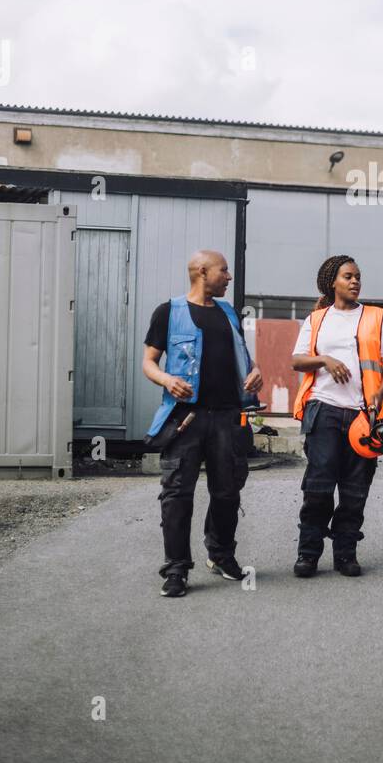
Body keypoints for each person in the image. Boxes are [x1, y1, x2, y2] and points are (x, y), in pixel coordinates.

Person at [142, 250, 263, 599]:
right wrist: (166, 380)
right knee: (178, 495)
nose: (228, 277)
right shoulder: (169, 312)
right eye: (223, 270)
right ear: (202, 271)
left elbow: (245, 358)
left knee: (227, 492)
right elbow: (148, 362)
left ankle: (221, 555)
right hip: (186, 419)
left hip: (228, 418)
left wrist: (255, 371)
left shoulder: (228, 313)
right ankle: (176, 569)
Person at [291, 254, 383, 578]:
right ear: (333, 282)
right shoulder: (316, 319)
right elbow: (297, 361)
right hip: (322, 409)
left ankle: (345, 554)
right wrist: (324, 359)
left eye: (358, 277)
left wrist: (379, 394)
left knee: (355, 491)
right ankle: (308, 554)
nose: (355, 282)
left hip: (362, 416)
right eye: (348, 276)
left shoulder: (376, 318)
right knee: (318, 487)